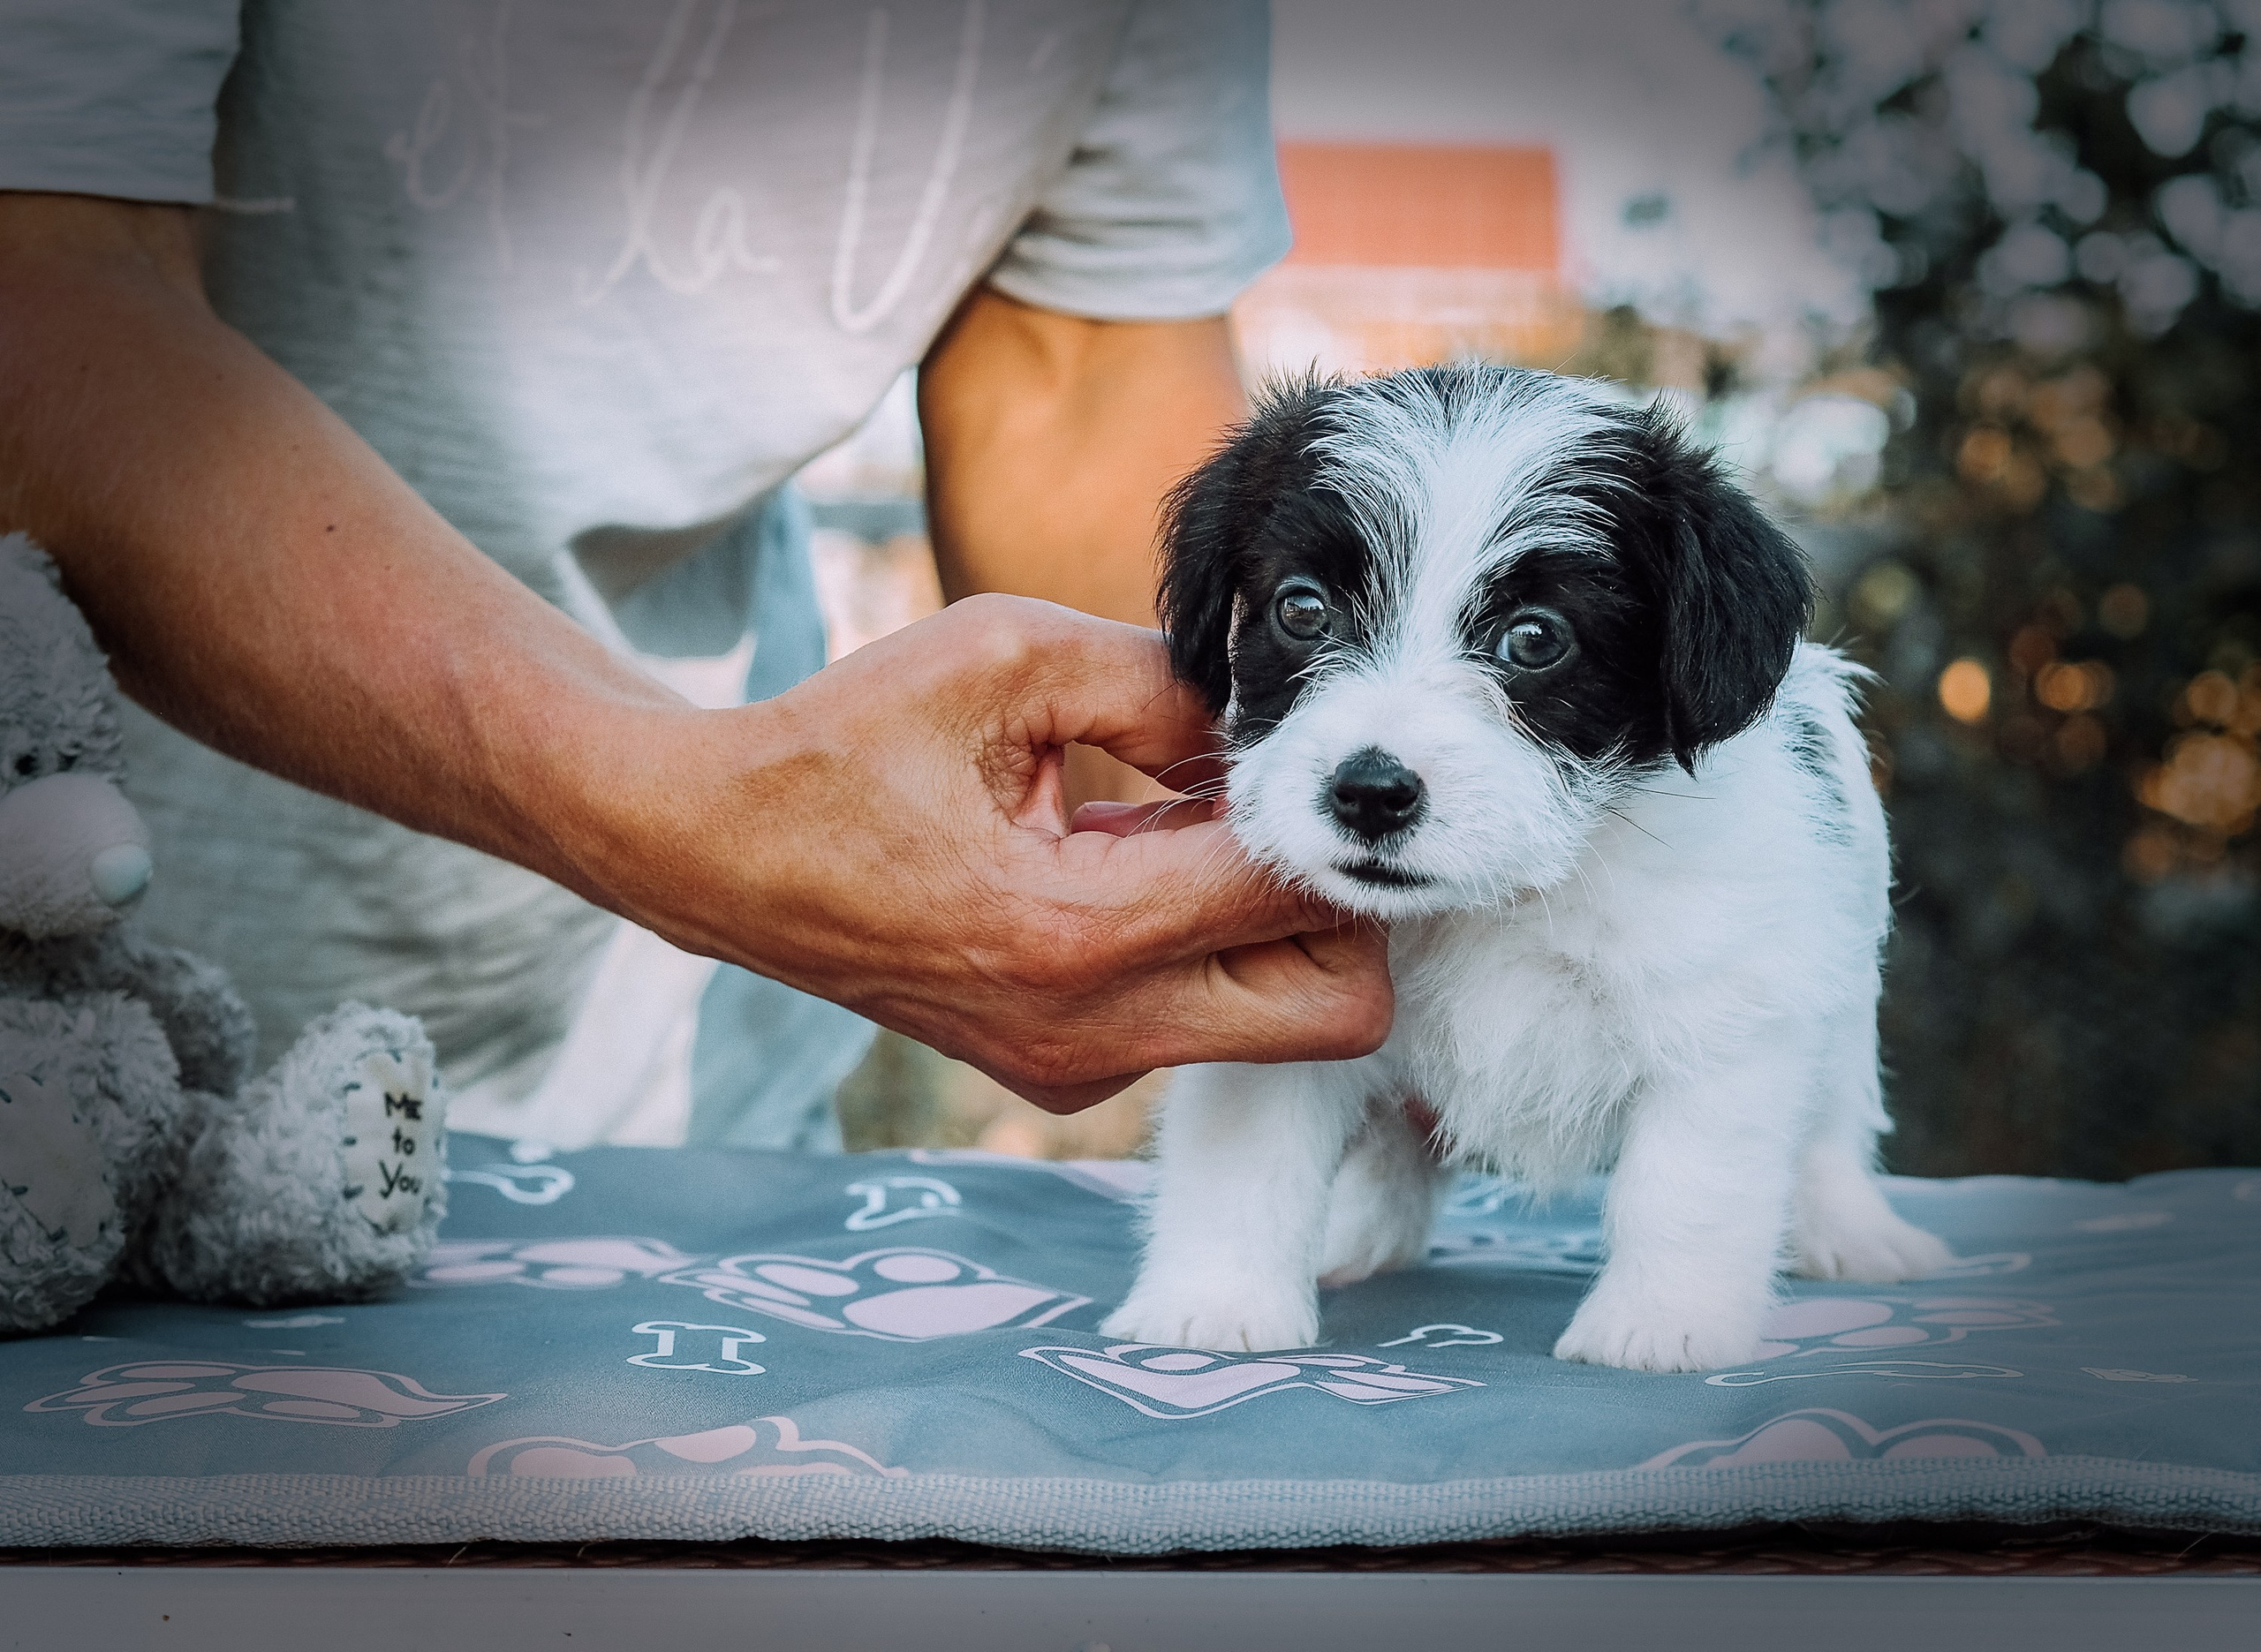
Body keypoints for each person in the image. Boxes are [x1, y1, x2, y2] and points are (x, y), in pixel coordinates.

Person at [0, 0, 1392, 1147]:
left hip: (701, 1089)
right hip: (78, 1034)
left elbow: (1078, 380)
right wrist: (678, 817)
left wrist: (1333, 885)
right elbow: (38, 303)